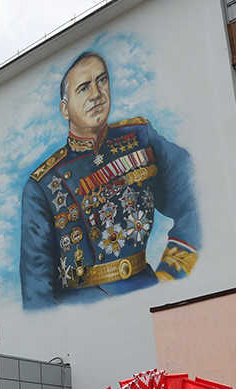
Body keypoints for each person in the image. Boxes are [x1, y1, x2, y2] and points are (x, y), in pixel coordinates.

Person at [19, 51, 200, 310]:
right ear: (64, 109)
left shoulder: (141, 138)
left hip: (148, 291)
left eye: (101, 81)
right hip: (85, 313)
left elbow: (198, 195)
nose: (96, 94)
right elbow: (38, 293)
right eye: (83, 88)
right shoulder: (43, 185)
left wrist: (173, 274)